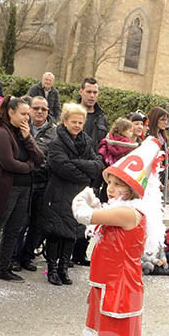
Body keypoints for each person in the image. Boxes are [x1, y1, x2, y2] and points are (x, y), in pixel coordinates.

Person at [59, 138, 166, 336]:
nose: (112, 188)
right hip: (107, 285)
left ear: (133, 189)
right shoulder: (122, 209)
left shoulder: (130, 212)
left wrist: (83, 197)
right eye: (111, 182)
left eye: (119, 184)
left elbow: (82, 215)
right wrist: (98, 201)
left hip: (119, 289)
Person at [0, 96, 45, 287]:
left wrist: (28, 138)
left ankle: (4, 269)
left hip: (23, 190)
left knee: (13, 231)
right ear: (10, 112)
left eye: (28, 114)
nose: (27, 118)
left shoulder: (22, 132)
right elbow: (8, 163)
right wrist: (29, 166)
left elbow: (39, 158)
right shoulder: (0, 133)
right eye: (23, 114)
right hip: (3, 190)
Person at [42, 103, 104, 285]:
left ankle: (63, 269)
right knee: (56, 232)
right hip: (59, 192)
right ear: (65, 121)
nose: (77, 125)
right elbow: (61, 166)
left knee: (72, 232)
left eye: (80, 122)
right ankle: (52, 269)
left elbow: (97, 164)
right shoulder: (56, 142)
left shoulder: (86, 140)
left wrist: (79, 166)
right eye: (73, 121)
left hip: (78, 193)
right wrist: (85, 174)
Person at [14, 96, 57, 272]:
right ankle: (14, 257)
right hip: (23, 181)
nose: (40, 112)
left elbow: (42, 153)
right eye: (36, 108)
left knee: (37, 223)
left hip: (42, 182)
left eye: (44, 109)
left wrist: (28, 147)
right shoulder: (19, 126)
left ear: (48, 112)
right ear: (30, 110)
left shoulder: (54, 131)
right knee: (20, 222)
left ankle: (27, 256)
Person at [71, 78, 108, 266]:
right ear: (81, 91)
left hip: (94, 173)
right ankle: (66, 253)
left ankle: (80, 253)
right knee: (72, 211)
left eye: (95, 92)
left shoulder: (102, 117)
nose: (92, 95)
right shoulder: (73, 112)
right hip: (75, 170)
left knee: (89, 212)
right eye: (89, 92)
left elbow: (104, 146)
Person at [145, 107, 169, 203]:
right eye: (162, 120)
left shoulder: (162, 138)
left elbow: (166, 159)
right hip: (149, 178)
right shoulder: (148, 137)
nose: (165, 122)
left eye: (166, 120)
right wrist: (155, 180)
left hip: (161, 175)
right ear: (155, 120)